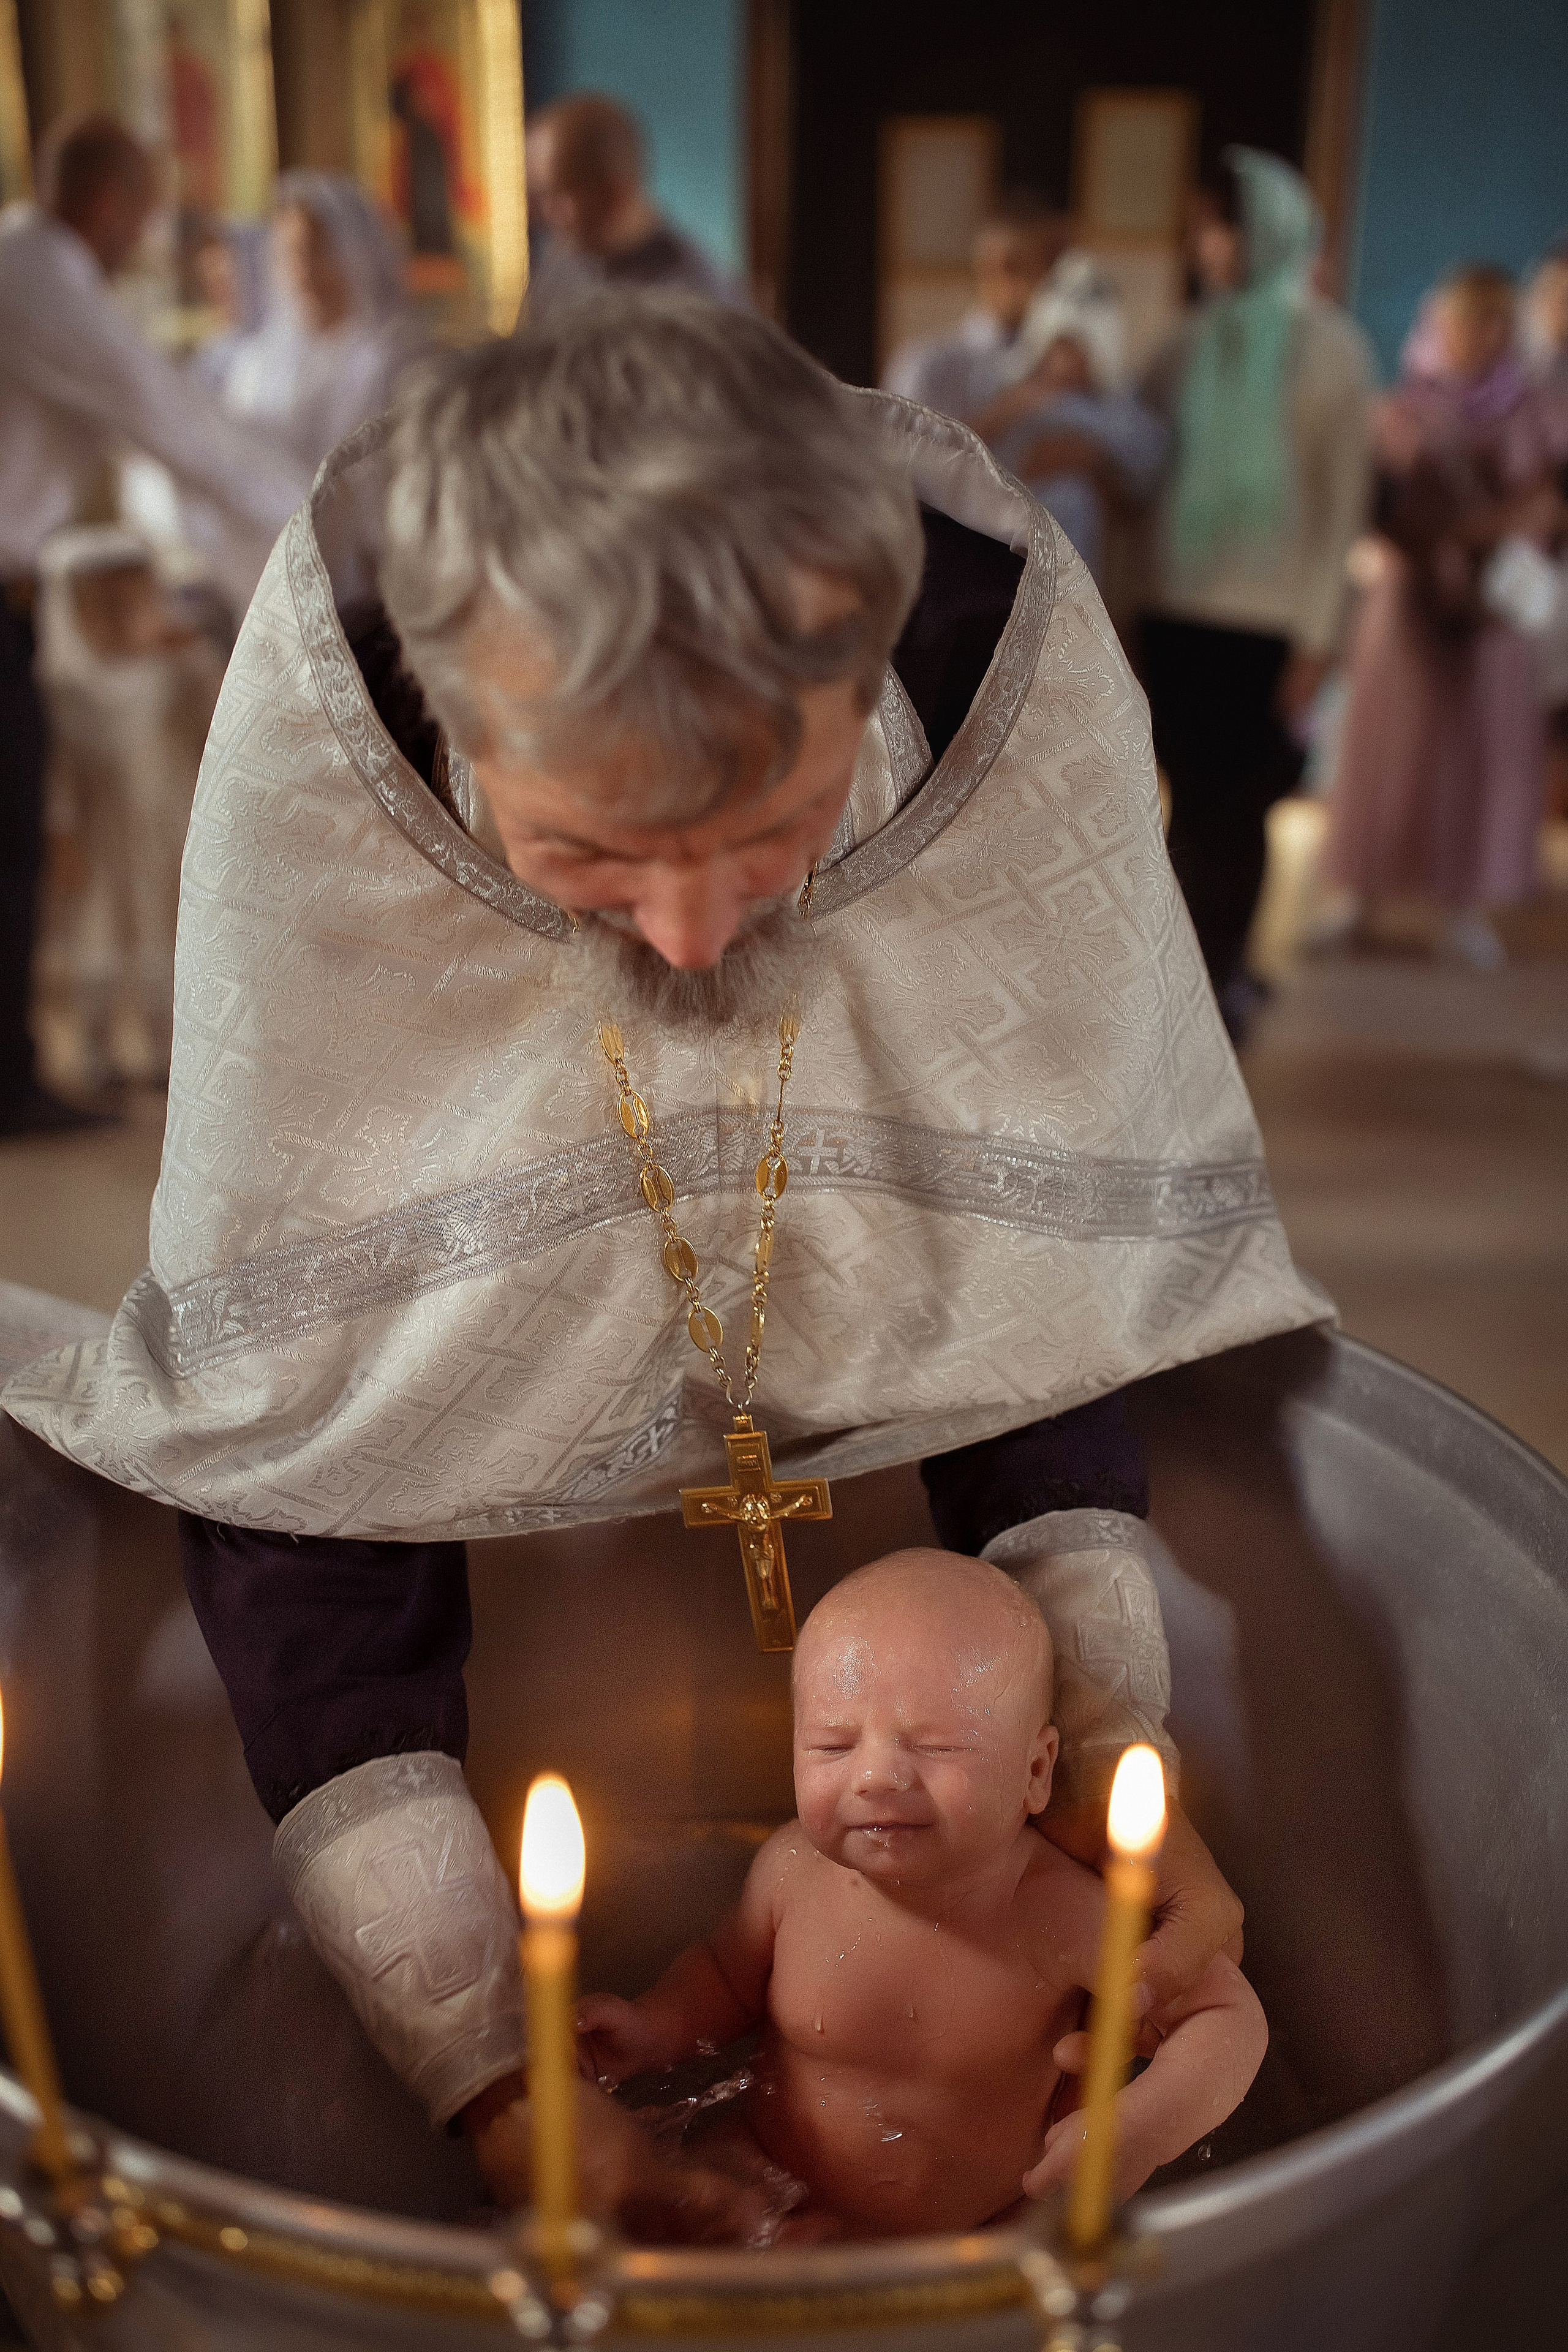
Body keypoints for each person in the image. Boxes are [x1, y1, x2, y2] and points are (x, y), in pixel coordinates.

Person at [4, 293, 1329, 2232]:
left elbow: (1036, 1290)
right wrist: (490, 2071)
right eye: (591, 858)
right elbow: (309, 1434)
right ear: (466, 718)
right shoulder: (333, 783)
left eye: (778, 826)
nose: (700, 940)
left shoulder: (987, 696)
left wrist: (1118, 1781)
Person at [578, 1551, 1267, 2237]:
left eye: (935, 1747)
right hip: (767, 2183)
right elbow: (724, 1979)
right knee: (677, 2219)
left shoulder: (1052, 1912)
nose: (875, 1775)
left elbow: (1226, 2014)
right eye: (832, 1745)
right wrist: (653, 2030)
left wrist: (1140, 2129)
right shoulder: (790, 1870)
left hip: (977, 2227)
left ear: (1036, 1770)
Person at [0, 115, 309, 1139]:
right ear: (108, 203)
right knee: (24, 839)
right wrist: (319, 525)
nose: (151, 232)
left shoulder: (46, 274)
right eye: (147, 209)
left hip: (27, 595)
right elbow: (164, 420)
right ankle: (14, 1079)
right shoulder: (35, 276)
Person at [1139, 149, 1373, 1039]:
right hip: (1178, 613)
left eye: (1222, 224)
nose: (1208, 244)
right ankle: (1189, 975)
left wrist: (1321, 640)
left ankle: (1222, 972)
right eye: (1200, 226)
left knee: (1243, 811)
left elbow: (1340, 504)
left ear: (1266, 230)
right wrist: (1122, 607)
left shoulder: (1330, 349)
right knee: (1188, 805)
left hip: (1271, 626)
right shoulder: (1183, 343)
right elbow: (1143, 487)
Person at [1321, 267, 1567, 969]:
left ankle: (1464, 906)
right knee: (1387, 746)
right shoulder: (1402, 406)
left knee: (1482, 751)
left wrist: (1473, 536)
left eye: (1496, 320)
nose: (1481, 335)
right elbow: (1377, 502)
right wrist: (1439, 542)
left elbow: (1547, 505)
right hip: (1408, 598)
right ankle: (1358, 896)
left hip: (1493, 609)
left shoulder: (1540, 409)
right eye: (1468, 319)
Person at [33, 527, 222, 1088]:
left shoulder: (174, 669)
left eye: (130, 598)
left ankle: (167, 1053)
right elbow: (58, 771)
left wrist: (193, 655)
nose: (119, 614)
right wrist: (60, 831)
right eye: (103, 602)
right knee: (99, 932)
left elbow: (217, 726)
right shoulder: (64, 683)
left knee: (165, 933)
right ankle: (95, 1052)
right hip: (99, 835)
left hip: (167, 827)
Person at [524, 92, 742, 322]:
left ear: (614, 196)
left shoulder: (698, 297)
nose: (539, 214)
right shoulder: (561, 267)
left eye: (554, 196)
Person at [881, 192, 1064, 421]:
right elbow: (903, 453)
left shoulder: (1063, 364)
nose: (1060, 282)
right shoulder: (926, 367)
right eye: (1047, 265)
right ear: (1002, 267)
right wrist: (1021, 402)